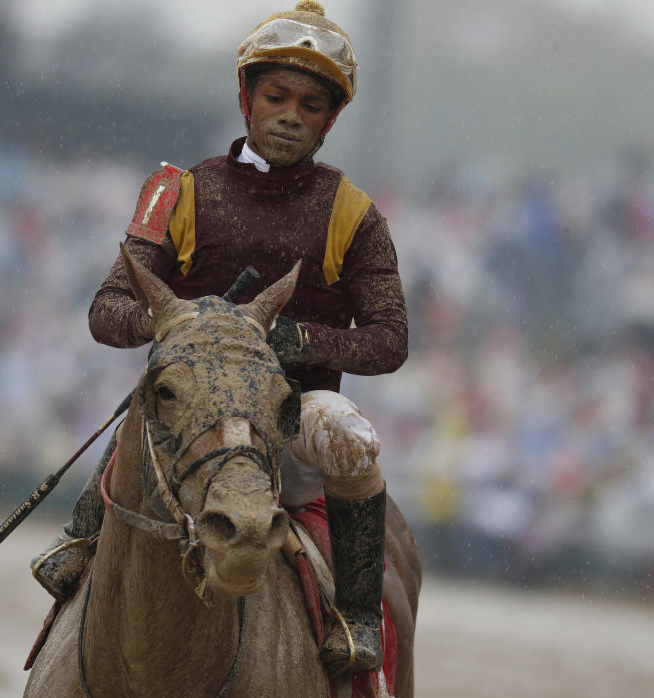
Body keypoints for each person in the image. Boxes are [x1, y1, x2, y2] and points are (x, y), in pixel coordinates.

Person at [30, 0, 407, 674]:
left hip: (292, 412)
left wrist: (297, 340)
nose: (292, 115)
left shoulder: (356, 214)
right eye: (277, 96)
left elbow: (389, 340)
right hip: (190, 399)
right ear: (247, 98)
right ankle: (82, 537)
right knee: (159, 405)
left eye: (312, 105)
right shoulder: (175, 191)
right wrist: (183, 328)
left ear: (331, 118)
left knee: (352, 438)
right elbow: (108, 310)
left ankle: (356, 617)